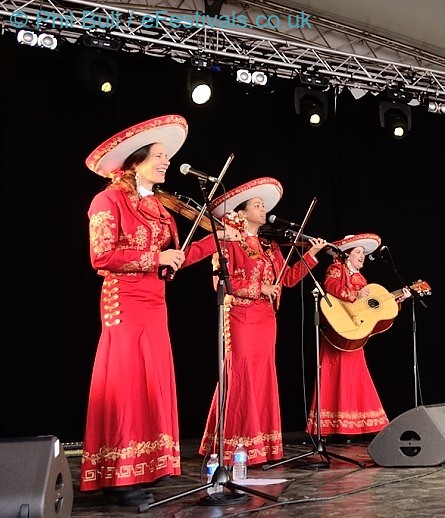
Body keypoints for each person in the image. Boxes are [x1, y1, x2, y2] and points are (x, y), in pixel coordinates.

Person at [80, 115, 243, 505]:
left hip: (155, 303)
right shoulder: (108, 199)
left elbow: (177, 258)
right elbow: (101, 256)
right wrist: (156, 255)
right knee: (128, 382)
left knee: (151, 381)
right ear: (135, 161)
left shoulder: (160, 208)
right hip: (124, 302)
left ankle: (146, 468)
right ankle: (119, 475)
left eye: (166, 155)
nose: (166, 161)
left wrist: (219, 238)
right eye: (158, 155)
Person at [198, 177, 328, 466]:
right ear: (241, 212)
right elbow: (222, 281)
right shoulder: (229, 239)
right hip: (241, 315)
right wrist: (259, 289)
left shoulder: (270, 246)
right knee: (241, 373)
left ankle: (259, 447)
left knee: (262, 376)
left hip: (266, 318)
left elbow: (288, 280)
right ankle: (234, 444)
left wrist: (312, 255)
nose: (263, 209)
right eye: (257, 205)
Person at [306, 233, 409, 440]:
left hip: (355, 331)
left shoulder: (362, 279)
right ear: (347, 255)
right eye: (358, 252)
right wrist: (354, 295)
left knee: (354, 377)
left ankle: (354, 427)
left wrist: (398, 300)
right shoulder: (337, 269)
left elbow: (370, 309)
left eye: (363, 252)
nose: (362, 256)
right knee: (333, 373)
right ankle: (329, 428)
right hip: (339, 329)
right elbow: (330, 286)